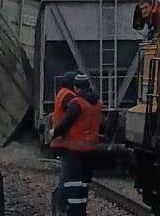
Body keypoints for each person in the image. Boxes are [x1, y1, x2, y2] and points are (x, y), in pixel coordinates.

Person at [50, 74, 102, 214]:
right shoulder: (97, 103)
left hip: (74, 150)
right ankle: (80, 211)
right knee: (83, 184)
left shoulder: (77, 103)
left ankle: (72, 212)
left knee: (71, 183)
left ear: (76, 87)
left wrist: (54, 132)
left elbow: (66, 123)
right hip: (90, 150)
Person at [51, 71, 77, 141]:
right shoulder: (69, 95)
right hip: (65, 136)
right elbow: (71, 115)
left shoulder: (62, 92)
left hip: (59, 133)